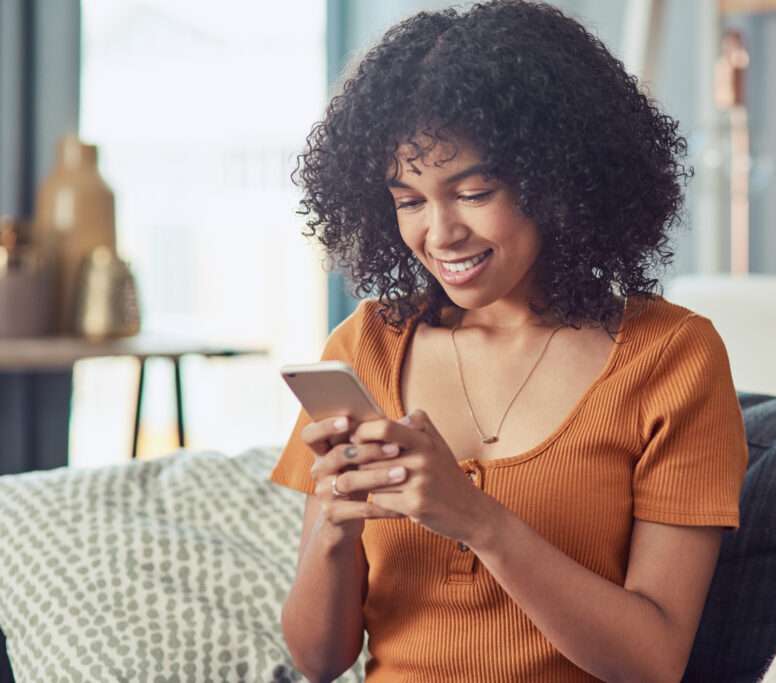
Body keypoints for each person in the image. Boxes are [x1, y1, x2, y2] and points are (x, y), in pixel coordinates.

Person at [269, 1, 748, 681]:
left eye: (473, 191)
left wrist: (479, 521)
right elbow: (317, 661)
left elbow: (654, 660)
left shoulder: (670, 358)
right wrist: (334, 532)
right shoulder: (366, 347)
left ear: (556, 178)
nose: (440, 234)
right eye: (409, 200)